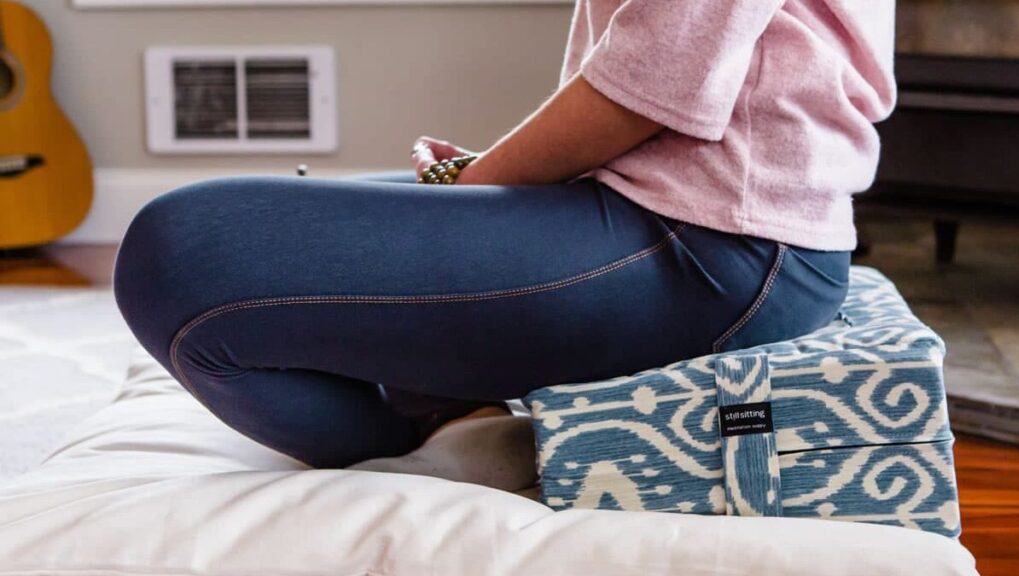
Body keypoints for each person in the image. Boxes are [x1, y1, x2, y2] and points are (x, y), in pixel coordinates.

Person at [113, 0, 896, 470]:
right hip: (705, 225)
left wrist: (469, 188)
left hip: (718, 246)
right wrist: (478, 182)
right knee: (301, 215)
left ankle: (428, 439)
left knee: (182, 250)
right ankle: (458, 422)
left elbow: (651, 88)